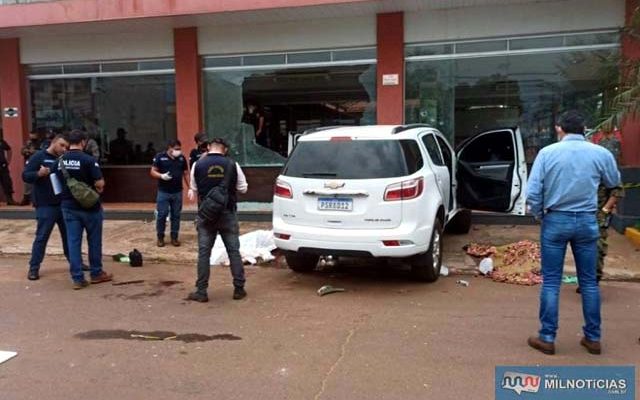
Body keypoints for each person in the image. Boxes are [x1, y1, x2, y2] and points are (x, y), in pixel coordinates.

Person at [525, 110, 620, 356]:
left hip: (556, 219)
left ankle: (547, 337)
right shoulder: (601, 154)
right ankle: (593, 338)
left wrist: (541, 215)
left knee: (552, 281)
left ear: (559, 128)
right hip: (587, 220)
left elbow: (533, 193)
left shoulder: (547, 154)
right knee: (588, 282)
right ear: (585, 128)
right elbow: (613, 182)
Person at [186, 137, 248, 302]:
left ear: (208, 148)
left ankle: (201, 291)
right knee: (233, 251)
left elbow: (194, 188)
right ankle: (239, 289)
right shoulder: (232, 164)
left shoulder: (197, 165)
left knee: (204, 253)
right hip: (228, 213)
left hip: (206, 216)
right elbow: (243, 187)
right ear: (225, 149)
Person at [53, 130, 112, 289]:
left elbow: (54, 181)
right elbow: (99, 183)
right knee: (94, 241)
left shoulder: (60, 160)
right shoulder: (89, 160)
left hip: (68, 207)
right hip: (91, 207)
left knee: (73, 242)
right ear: (83, 142)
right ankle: (96, 273)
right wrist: (97, 190)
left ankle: (77, 278)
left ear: (68, 142)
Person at [576, 129, 624, 294]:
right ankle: (585, 281)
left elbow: (617, 190)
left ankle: (593, 281)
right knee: (580, 249)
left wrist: (604, 210)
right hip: (579, 212)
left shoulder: (603, 163)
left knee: (596, 249)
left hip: (597, 213)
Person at [22, 134, 73, 280]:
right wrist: (39, 173)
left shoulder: (63, 159)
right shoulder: (39, 156)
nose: (64, 149)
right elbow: (25, 176)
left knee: (69, 236)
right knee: (42, 237)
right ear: (54, 142)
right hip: (45, 205)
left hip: (63, 203)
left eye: (66, 147)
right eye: (62, 145)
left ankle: (76, 263)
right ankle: (34, 268)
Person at [150, 139, 189, 247]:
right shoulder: (160, 157)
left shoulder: (181, 158)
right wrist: (161, 176)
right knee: (162, 215)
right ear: (170, 148)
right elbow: (152, 171)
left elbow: (185, 173)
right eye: (176, 149)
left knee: (176, 215)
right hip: (164, 192)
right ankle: (160, 237)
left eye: (180, 149)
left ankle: (174, 237)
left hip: (177, 191)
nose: (179, 151)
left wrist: (190, 187)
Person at [20, 131, 44, 206]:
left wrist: (34, 151)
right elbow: (22, 151)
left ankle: (35, 200)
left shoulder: (41, 143)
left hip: (39, 164)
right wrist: (27, 151)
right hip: (29, 163)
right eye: (31, 135)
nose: (32, 136)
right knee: (27, 183)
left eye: (33, 135)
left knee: (38, 182)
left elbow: (44, 151)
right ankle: (26, 199)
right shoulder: (29, 143)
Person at [0, 131, 18, 206]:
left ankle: (10, 200)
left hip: (2, 165)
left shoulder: (1, 142)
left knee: (7, 182)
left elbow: (9, 149)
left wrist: (8, 161)